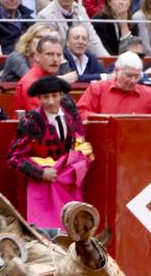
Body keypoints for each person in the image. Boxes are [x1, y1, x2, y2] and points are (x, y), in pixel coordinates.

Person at [6, 74, 92, 229]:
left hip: (69, 183)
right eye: (45, 97)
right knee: (48, 233)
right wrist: (40, 173)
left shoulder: (70, 110)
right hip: (44, 187)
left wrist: (80, 165)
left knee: (74, 228)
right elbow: (13, 157)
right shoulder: (32, 121)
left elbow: (80, 139)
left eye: (54, 96)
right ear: (39, 98)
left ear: (61, 95)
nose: (51, 101)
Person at [77, 52, 151, 116]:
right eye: (129, 75)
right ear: (117, 71)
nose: (133, 81)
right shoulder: (98, 88)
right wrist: (103, 120)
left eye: (137, 76)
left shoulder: (148, 93)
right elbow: (80, 112)